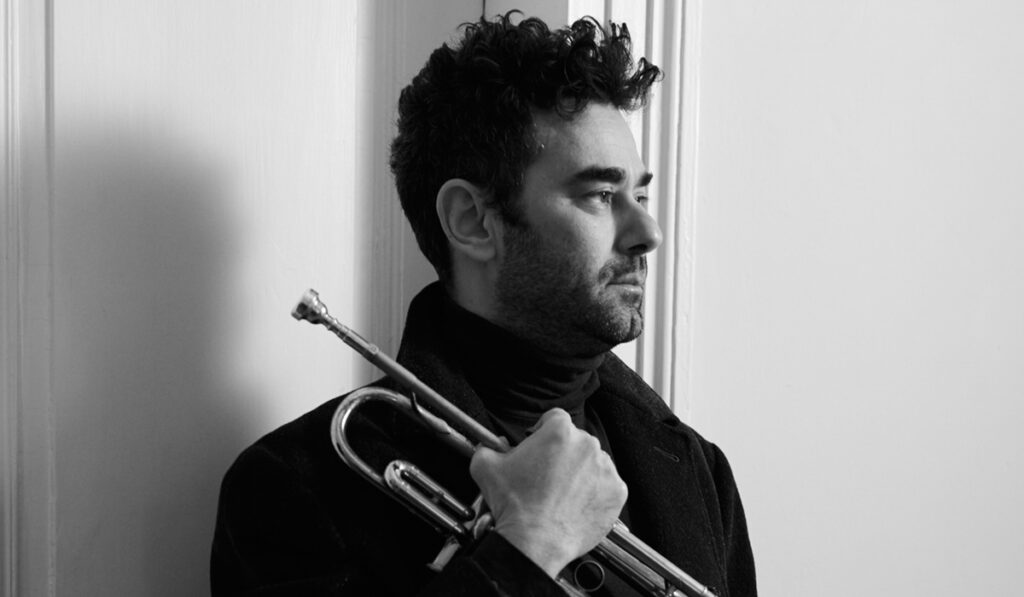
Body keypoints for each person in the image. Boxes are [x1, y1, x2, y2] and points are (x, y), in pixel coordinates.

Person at [211, 12, 756, 597]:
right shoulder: (292, 488)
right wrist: (529, 545)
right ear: (471, 221)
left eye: (639, 195)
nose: (648, 232)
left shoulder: (699, 470)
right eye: (601, 194)